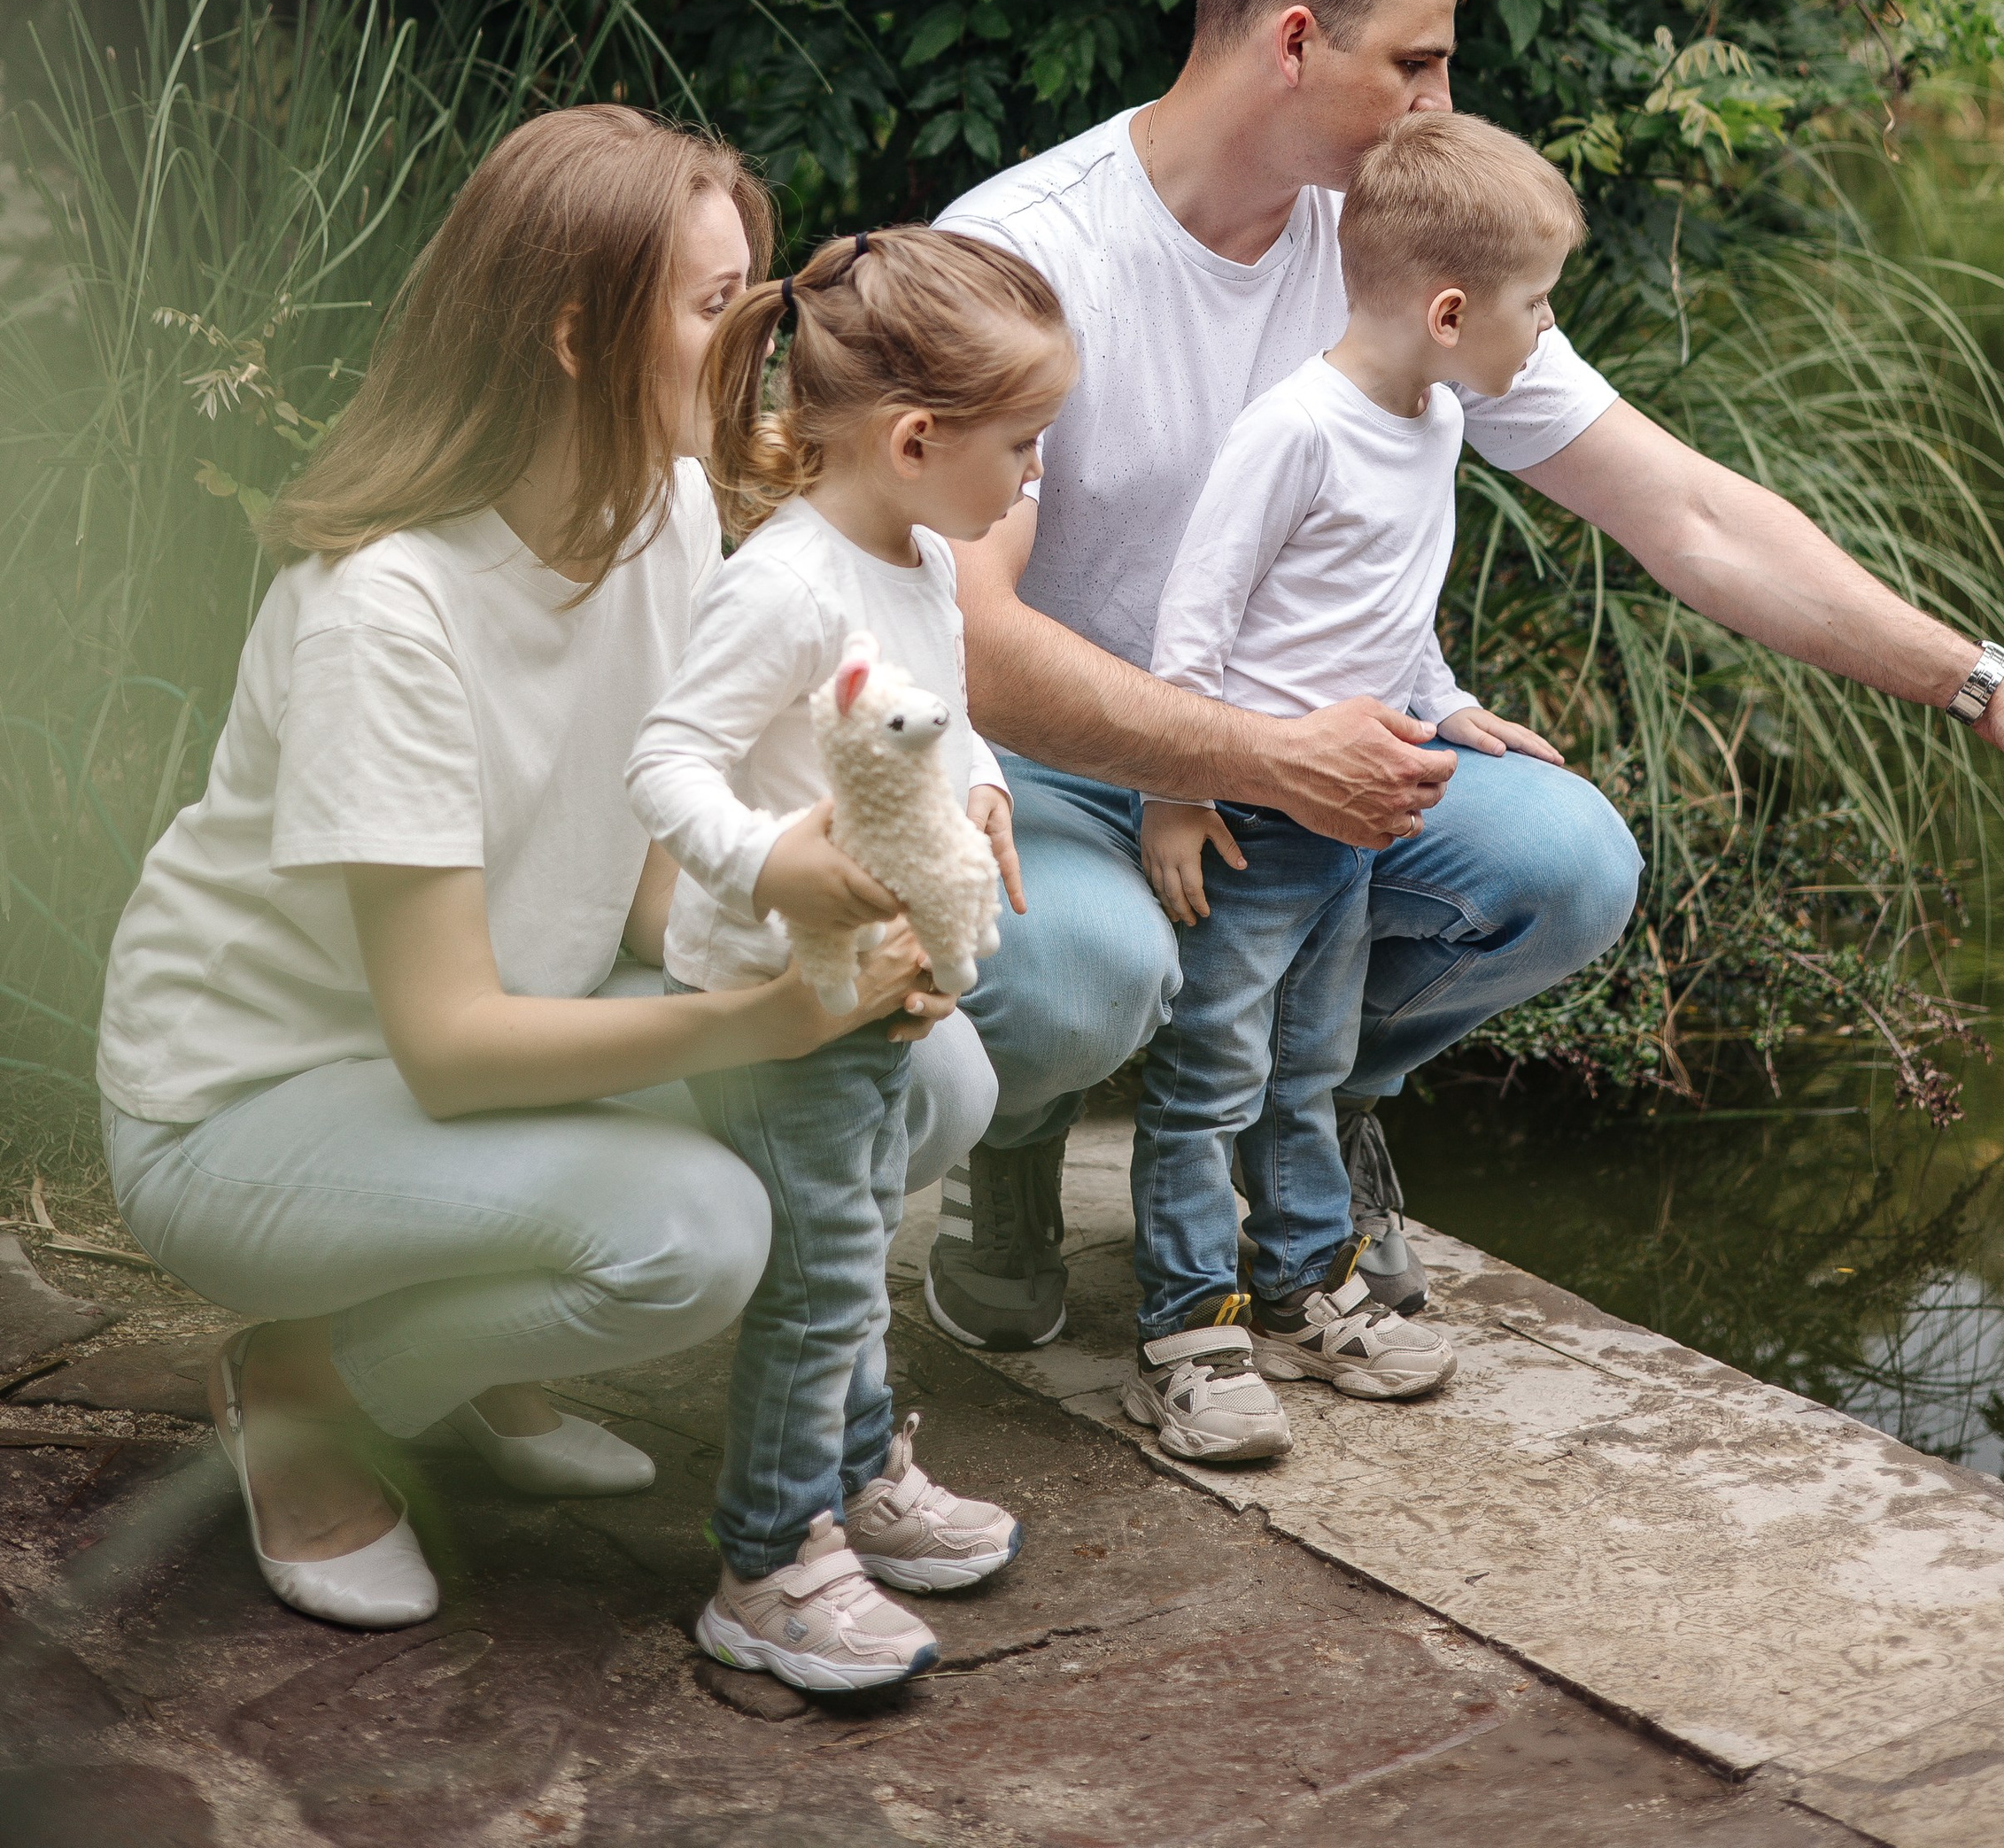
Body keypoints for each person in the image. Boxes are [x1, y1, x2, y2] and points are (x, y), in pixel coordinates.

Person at [924, 0, 2004, 1359]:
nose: (1441, 105)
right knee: (1086, 979)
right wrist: (1249, 761)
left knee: (1562, 861)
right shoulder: (1027, 253)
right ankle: (1016, 1141)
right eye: (1418, 63)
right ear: (1292, 41)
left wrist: (1986, 688)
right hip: (1060, 768)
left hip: (1308, 751)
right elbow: (971, 640)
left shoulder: (1393, 241)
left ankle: (1304, 1134)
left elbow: (1691, 514)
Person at [96, 107, 984, 1633]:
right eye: (719, 309)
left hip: (492, 1028)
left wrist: (811, 887)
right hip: (253, 1096)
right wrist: (755, 1025)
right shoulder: (390, 615)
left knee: (933, 1078)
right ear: (576, 332)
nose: (758, 347)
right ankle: (306, 1385)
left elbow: (635, 858)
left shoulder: (667, 507)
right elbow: (446, 1046)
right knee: (690, 1235)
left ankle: (475, 1352)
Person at [628, 225, 1074, 1694]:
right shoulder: (789, 583)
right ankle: (767, 1561)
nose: (1035, 475)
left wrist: (989, 789)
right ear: (914, 435)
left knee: (861, 1231)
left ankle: (859, 1474)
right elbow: (670, 760)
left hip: (885, 987)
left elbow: (944, 717)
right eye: (1023, 443)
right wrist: (773, 863)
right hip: (787, 996)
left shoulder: (923, 560)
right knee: (817, 1274)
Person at [1126, 113, 1580, 1465]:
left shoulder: (1434, 417)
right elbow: (1194, 619)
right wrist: (1177, 787)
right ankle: (1185, 1331)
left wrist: (1444, 702)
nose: (1544, 337)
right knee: (1210, 1073)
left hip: (1355, 815)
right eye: (1536, 308)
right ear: (1449, 311)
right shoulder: (1297, 431)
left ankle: (1303, 1285)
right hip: (1255, 812)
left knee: (1311, 1066)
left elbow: (1388, 608)